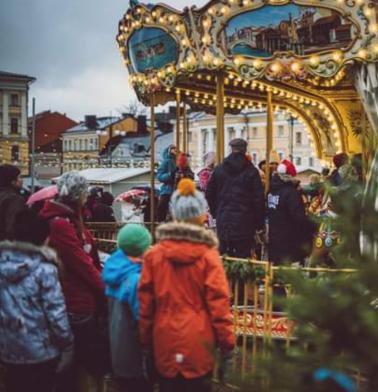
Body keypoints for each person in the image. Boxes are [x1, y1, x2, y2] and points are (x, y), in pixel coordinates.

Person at [138, 179, 235, 392]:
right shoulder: (209, 257)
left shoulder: (154, 256)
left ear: (175, 214)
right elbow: (219, 306)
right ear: (201, 216)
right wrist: (227, 344)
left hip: (164, 341)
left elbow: (146, 306)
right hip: (199, 343)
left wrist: (145, 343)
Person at [39, 172, 109, 392]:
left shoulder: (70, 219)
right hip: (75, 301)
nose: (87, 197)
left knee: (82, 362)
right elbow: (81, 264)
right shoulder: (61, 224)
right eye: (85, 193)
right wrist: (105, 289)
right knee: (81, 362)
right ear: (78, 195)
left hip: (80, 298)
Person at [0, 209, 74, 392]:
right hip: (41, 350)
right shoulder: (45, 270)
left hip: (8, 349)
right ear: (44, 239)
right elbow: (56, 313)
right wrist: (67, 343)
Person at [102, 224, 153, 392]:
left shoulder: (115, 270)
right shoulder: (135, 279)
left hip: (117, 351)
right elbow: (143, 319)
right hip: (135, 357)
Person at [206, 139, 265, 257]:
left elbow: (209, 193)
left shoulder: (219, 169)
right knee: (242, 257)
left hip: (224, 220)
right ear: (245, 151)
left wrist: (216, 212)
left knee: (223, 256)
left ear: (231, 149)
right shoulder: (251, 171)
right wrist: (259, 223)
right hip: (245, 222)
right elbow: (258, 199)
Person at [267, 163, 315, 264]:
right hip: (289, 240)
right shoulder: (290, 193)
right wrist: (312, 223)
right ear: (290, 176)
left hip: (274, 237)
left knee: (276, 268)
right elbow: (299, 217)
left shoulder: (271, 191)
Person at [0, 164, 27, 241]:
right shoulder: (14, 199)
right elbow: (12, 227)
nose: (22, 180)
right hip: (6, 247)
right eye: (20, 177)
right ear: (12, 181)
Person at [157, 145, 179, 222]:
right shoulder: (166, 162)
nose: (175, 150)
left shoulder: (179, 161)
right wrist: (170, 175)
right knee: (162, 205)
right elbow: (159, 176)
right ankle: (161, 221)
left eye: (176, 149)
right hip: (168, 188)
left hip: (178, 188)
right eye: (173, 149)